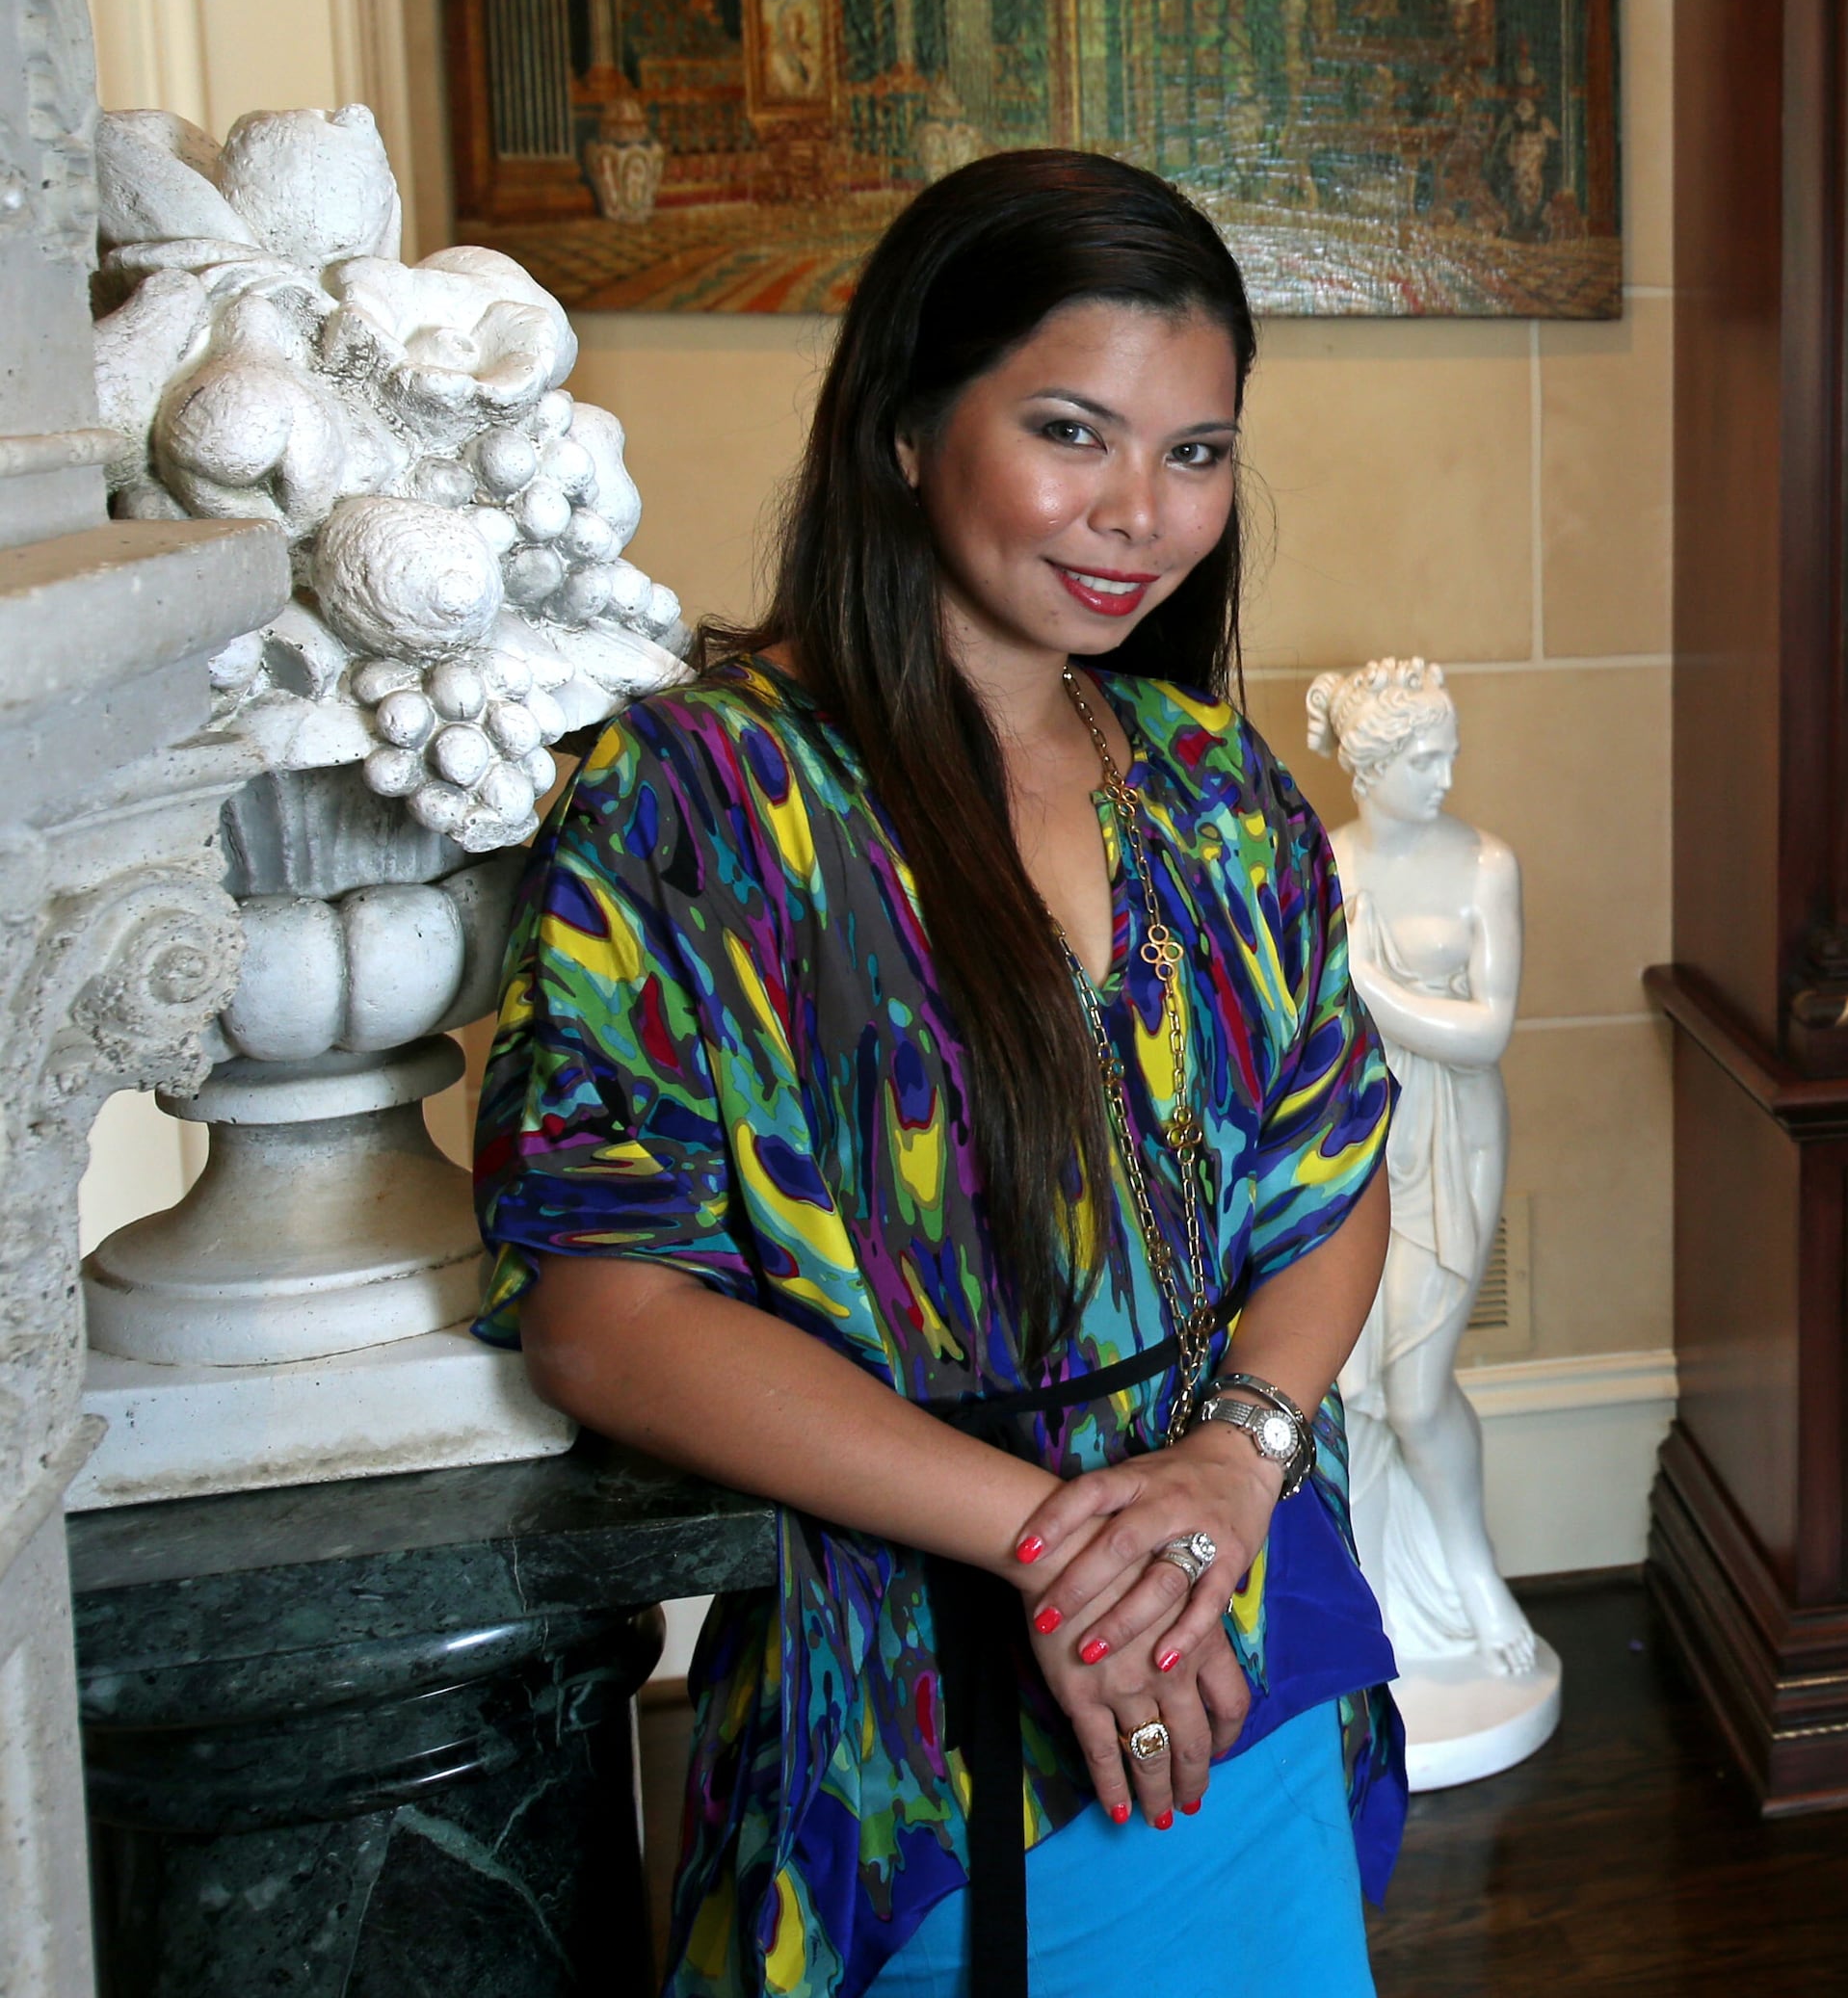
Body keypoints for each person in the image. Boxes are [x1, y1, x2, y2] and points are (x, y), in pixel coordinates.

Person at [474, 150, 1401, 1998]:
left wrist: (1234, 1461)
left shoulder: (1206, 782)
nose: (1140, 512)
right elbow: (603, 1312)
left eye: (1197, 451)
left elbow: (1338, 1179)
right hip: (907, 1701)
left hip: (1240, 1614)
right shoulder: (696, 797)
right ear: (906, 423)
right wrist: (1065, 1552)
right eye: (1073, 430)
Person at [1311, 658, 1544, 1681]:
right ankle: (1377, 1594)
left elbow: (1486, 1034)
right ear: (1369, 767)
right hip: (1356, 1133)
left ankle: (1473, 1573)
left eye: (1448, 750)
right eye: (1424, 757)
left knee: (1414, 1388)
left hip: (1452, 1136)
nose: (1447, 773)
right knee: (1350, 1387)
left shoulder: (1485, 863)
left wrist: (1370, 983)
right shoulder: (1327, 859)